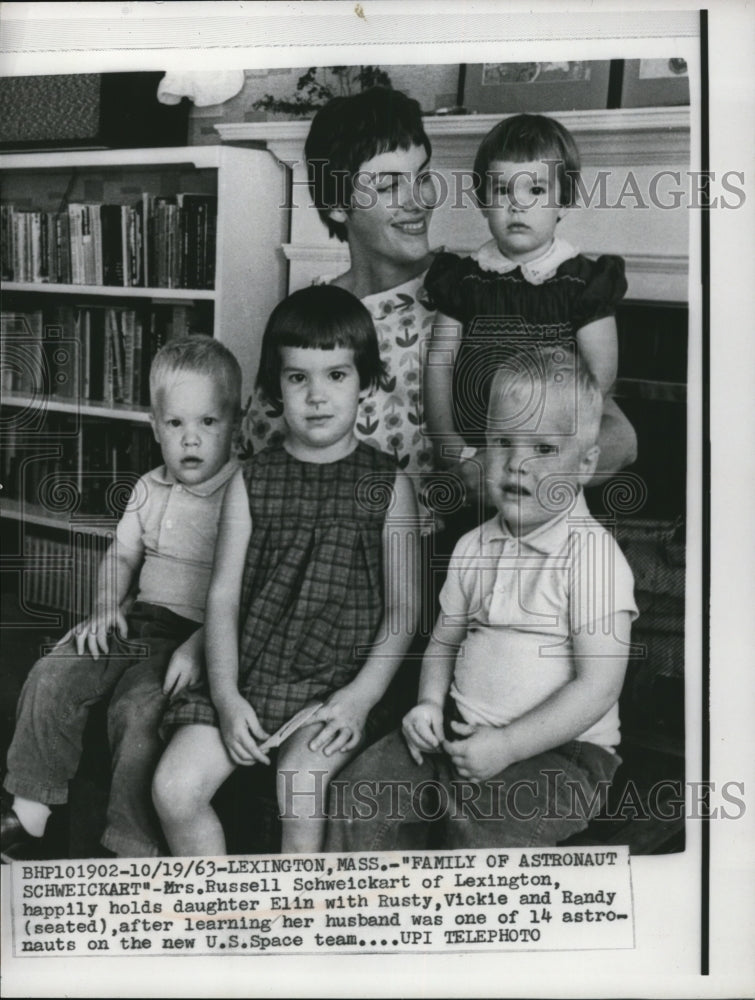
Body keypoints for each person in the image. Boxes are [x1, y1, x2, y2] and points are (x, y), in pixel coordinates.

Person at [325, 343, 638, 851]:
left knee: (480, 836)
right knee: (359, 796)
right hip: (462, 731)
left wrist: (509, 745)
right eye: (502, 441)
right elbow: (444, 643)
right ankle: (359, 919)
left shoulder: (593, 558)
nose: (516, 464)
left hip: (562, 754)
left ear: (586, 464)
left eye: (543, 449)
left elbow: (597, 687)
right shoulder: (473, 545)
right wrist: (428, 704)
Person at [153, 285, 420, 855]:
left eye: (336, 376)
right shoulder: (252, 481)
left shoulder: (388, 484)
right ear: (275, 388)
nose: (317, 396)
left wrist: (361, 697)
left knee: (300, 784)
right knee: (174, 788)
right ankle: (222, 922)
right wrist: (226, 698)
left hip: (339, 679)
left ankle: (296, 928)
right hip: (253, 671)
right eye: (298, 378)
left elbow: (404, 609)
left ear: (367, 384)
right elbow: (223, 599)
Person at [1, 336, 242, 861]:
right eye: (175, 425)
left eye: (208, 423)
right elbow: (121, 557)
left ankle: (130, 846)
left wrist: (202, 645)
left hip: (193, 635)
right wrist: (106, 606)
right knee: (54, 670)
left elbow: (251, 588)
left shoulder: (241, 493)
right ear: (155, 428)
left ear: (235, 425)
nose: (191, 440)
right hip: (138, 620)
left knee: (140, 709)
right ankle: (30, 810)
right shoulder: (148, 488)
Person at [423, 112, 637, 519]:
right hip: (481, 440)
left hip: (551, 440)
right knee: (473, 545)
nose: (518, 204)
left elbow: (599, 376)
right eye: (503, 190)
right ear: (483, 202)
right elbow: (439, 364)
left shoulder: (582, 282)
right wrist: (447, 442)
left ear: (564, 202)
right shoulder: (463, 280)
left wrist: (556, 445)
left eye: (536, 189)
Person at [241, 86, 439, 519]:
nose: (419, 200)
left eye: (421, 177)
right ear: (336, 206)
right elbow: (258, 446)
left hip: (435, 555)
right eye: (389, 186)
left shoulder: (467, 297)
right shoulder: (311, 314)